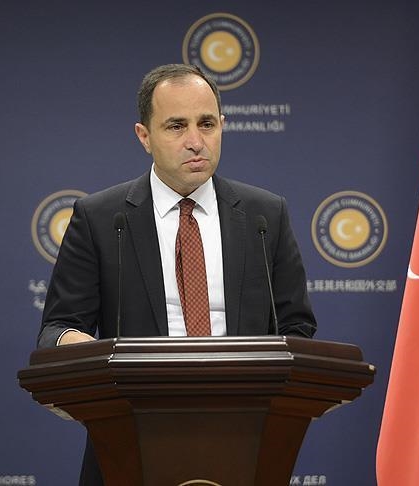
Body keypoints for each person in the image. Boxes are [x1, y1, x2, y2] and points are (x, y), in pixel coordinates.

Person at [36, 63, 317, 485]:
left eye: (207, 124)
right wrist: (75, 346)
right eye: (176, 126)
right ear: (144, 136)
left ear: (223, 126)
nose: (195, 141)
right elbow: (57, 328)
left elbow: (297, 326)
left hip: (245, 437)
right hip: (130, 438)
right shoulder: (101, 219)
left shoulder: (265, 216)